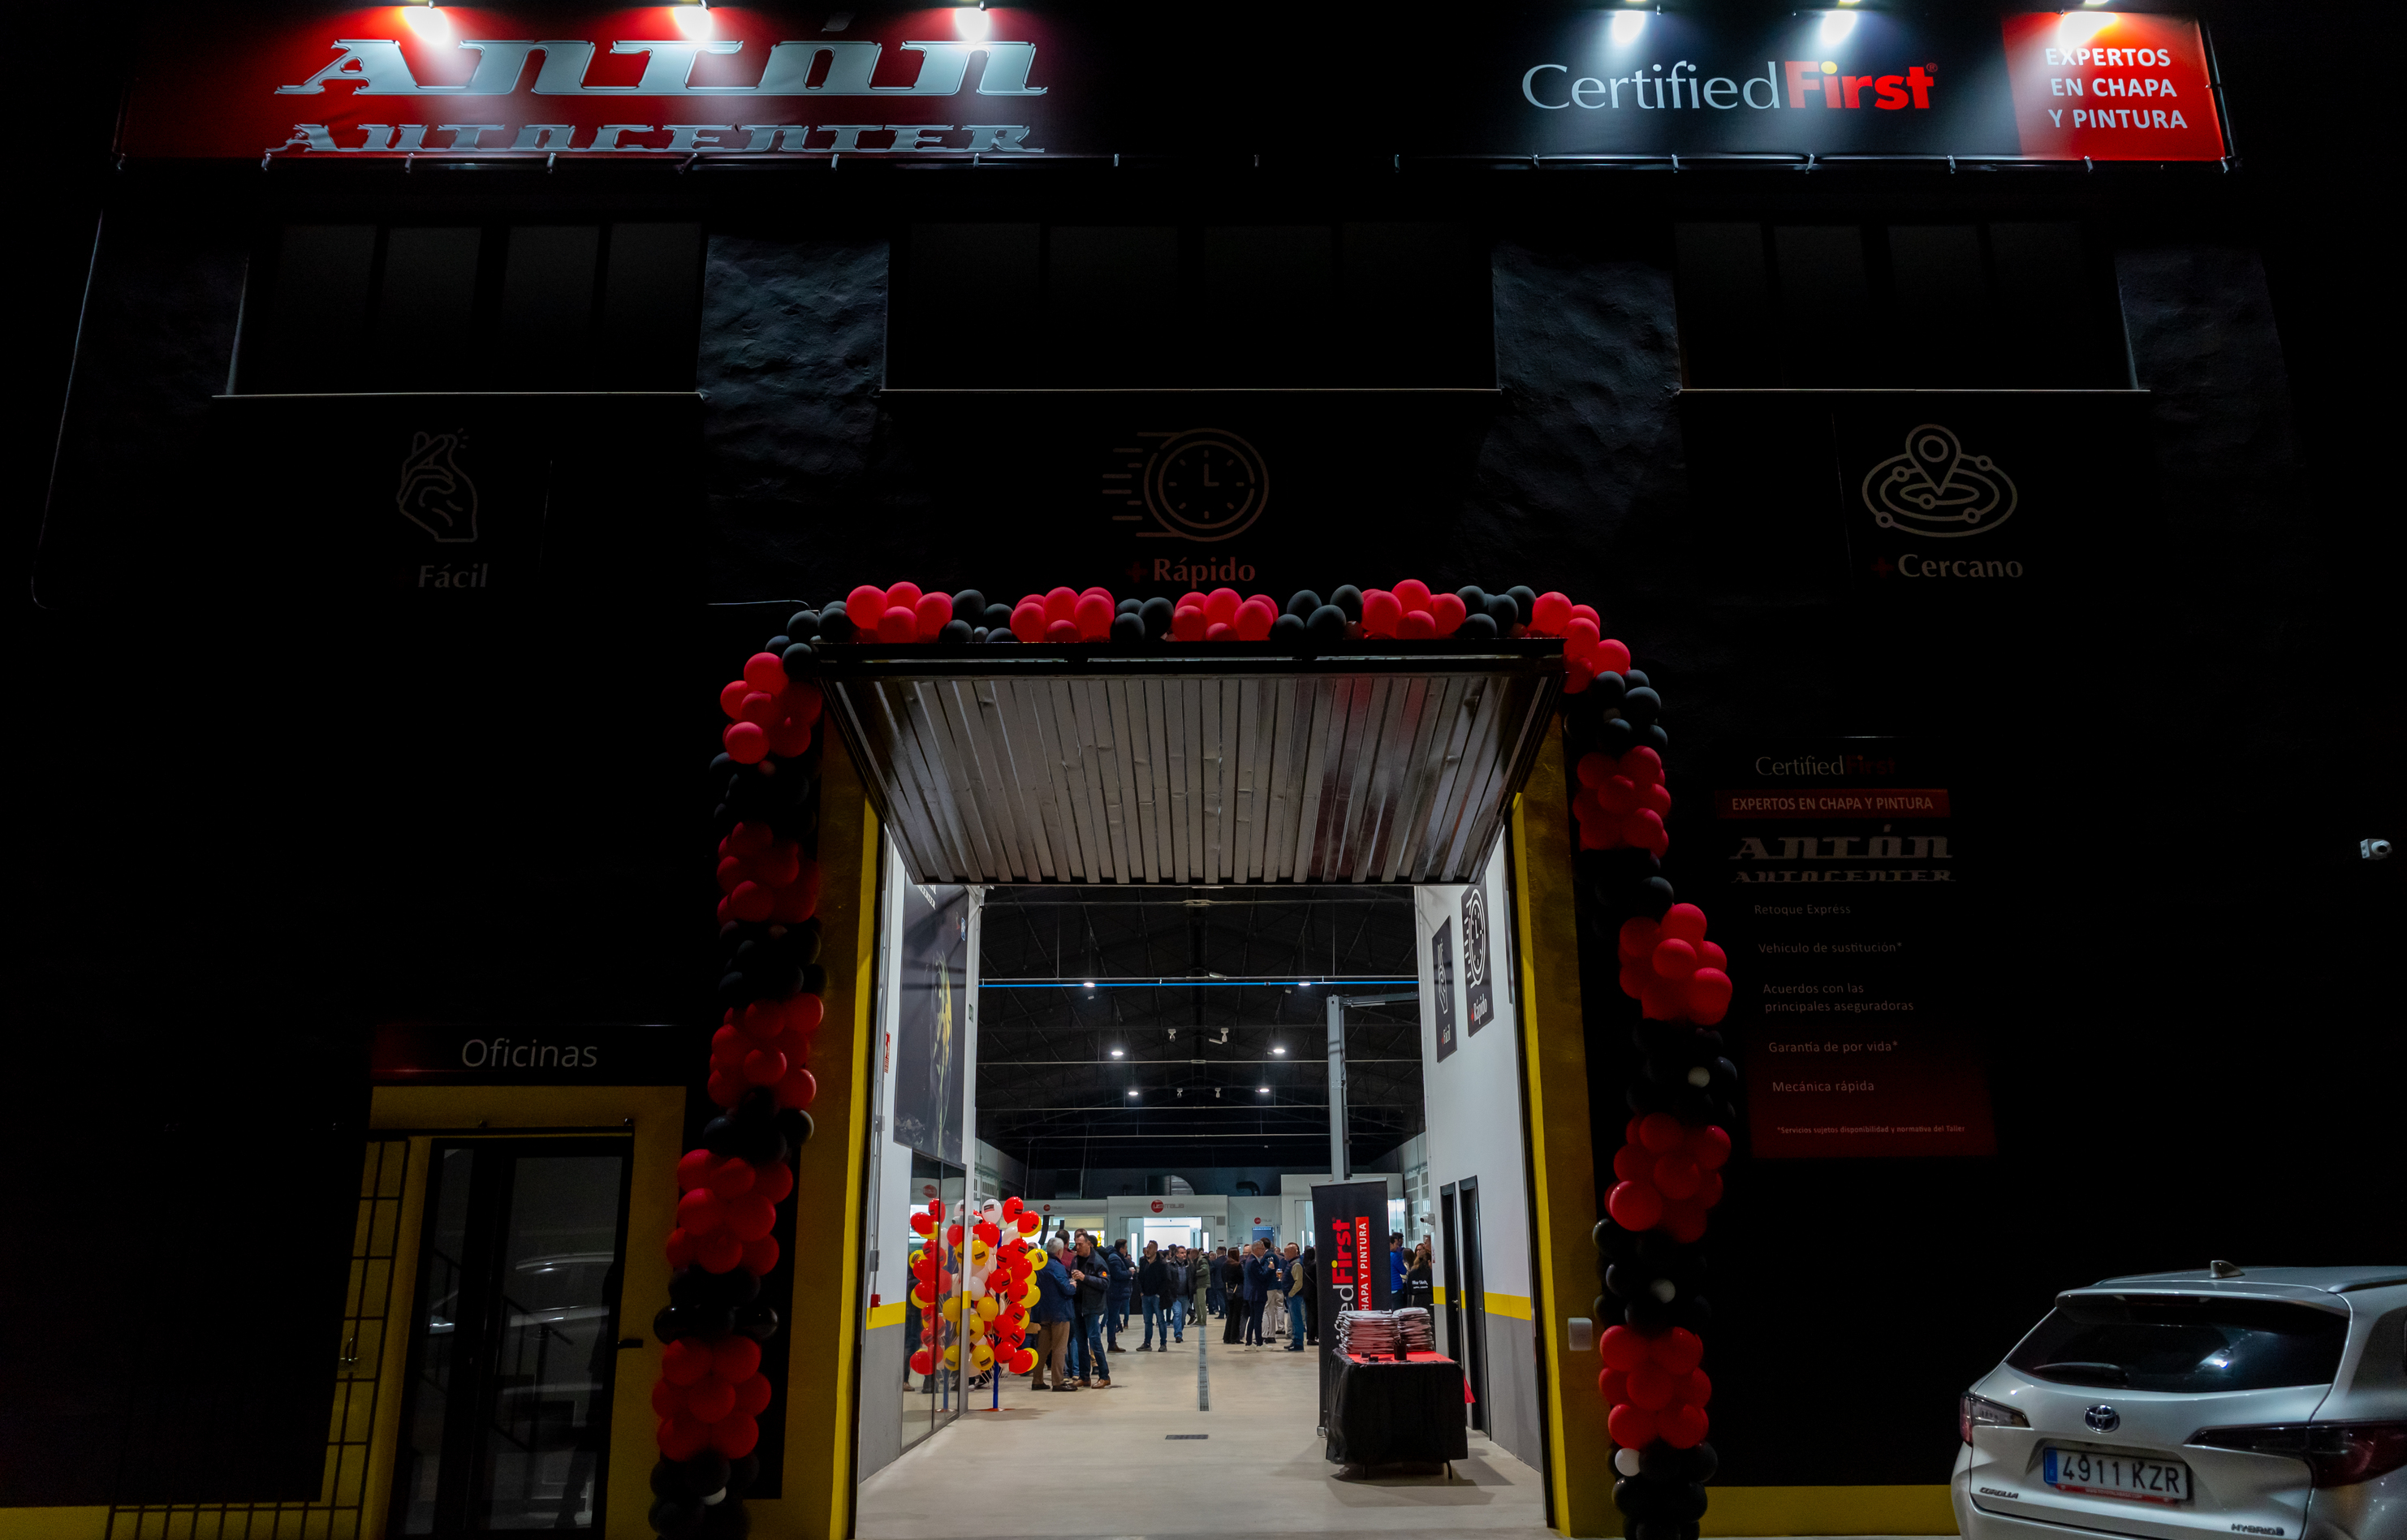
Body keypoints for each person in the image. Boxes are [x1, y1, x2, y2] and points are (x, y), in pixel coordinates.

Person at [1029, 1242, 1078, 1391]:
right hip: (1060, 1313)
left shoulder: (1039, 1265)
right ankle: (1058, 1382)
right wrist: (1073, 1285)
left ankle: (1037, 1380)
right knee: (1059, 1348)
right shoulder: (1057, 1266)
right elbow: (1066, 1289)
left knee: (1042, 1348)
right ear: (1059, 1251)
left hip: (1043, 1312)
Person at [1068, 1236, 1112, 1387]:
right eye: (1076, 1244)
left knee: (1094, 1341)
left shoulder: (1098, 1262)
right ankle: (1084, 1377)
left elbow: (1105, 1283)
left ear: (1089, 1244)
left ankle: (1104, 1376)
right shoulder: (1076, 1260)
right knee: (1081, 1342)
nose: (1077, 1247)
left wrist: (1085, 1278)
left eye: (1080, 1244)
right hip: (1078, 1306)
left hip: (1092, 1307)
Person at [1137, 1241, 1171, 1351]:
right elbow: (1139, 1277)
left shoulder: (1162, 1263)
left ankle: (1163, 1343)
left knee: (1161, 1320)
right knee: (1147, 1321)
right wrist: (1141, 1292)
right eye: (1147, 1247)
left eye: (1150, 1248)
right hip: (1145, 1295)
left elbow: (1166, 1280)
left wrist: (1159, 1294)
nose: (1148, 1250)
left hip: (1157, 1296)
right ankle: (1147, 1343)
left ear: (1156, 1250)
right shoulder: (1143, 1261)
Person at [1240, 1240, 1275, 1348]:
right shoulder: (1254, 1261)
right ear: (1256, 1249)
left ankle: (1249, 1342)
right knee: (1257, 1319)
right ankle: (1259, 1343)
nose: (1264, 1251)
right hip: (1256, 1294)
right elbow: (1262, 1276)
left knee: (1253, 1318)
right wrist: (1269, 1269)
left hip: (1252, 1294)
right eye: (1262, 1249)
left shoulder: (1250, 1260)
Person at [1105, 1239, 1135, 1350]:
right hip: (1115, 1292)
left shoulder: (1117, 1257)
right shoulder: (1115, 1259)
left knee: (1113, 1318)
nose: (1126, 1250)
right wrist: (1129, 1273)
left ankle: (1112, 1342)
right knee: (1112, 1319)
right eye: (1125, 1248)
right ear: (1121, 1248)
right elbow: (1117, 1274)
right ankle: (1111, 1343)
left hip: (1115, 1292)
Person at [1281, 1242, 1309, 1351]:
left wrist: (1291, 1294)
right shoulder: (1293, 1263)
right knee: (1294, 1320)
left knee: (1297, 1320)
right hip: (1293, 1296)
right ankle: (1295, 1340)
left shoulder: (1296, 1265)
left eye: (1286, 1252)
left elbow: (1298, 1283)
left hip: (1295, 1296)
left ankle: (1298, 1343)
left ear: (1292, 1252)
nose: (1284, 1254)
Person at [1221, 1248, 1247, 1345]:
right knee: (1237, 1315)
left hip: (1228, 1291)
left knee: (1230, 1314)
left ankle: (1227, 1337)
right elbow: (1242, 1278)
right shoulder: (1237, 1265)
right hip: (1238, 1291)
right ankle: (1234, 1338)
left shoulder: (1224, 1265)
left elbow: (1223, 1278)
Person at [1405, 1240, 1434, 1310]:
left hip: (1416, 1300)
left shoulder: (1412, 1273)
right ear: (1429, 1261)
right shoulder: (1430, 1272)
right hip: (1429, 1299)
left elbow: (1409, 1290)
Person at [1300, 1245, 1320, 1345]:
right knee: (1314, 1315)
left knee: (1309, 1315)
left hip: (1306, 1293)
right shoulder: (1315, 1265)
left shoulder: (1304, 1265)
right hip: (1313, 1293)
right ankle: (1312, 1337)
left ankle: (1309, 1336)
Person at [1206, 1246, 1227, 1318]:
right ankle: (1228, 1313)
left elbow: (1211, 1270)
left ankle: (1222, 1313)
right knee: (1226, 1298)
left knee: (1220, 1298)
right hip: (1226, 1282)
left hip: (1218, 1282)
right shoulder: (1227, 1260)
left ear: (1218, 1252)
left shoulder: (1215, 1262)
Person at [1388, 1232, 1408, 1299]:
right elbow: (1403, 1271)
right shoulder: (1394, 1256)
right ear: (1391, 1244)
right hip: (1396, 1287)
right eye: (1396, 1244)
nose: (1397, 1246)